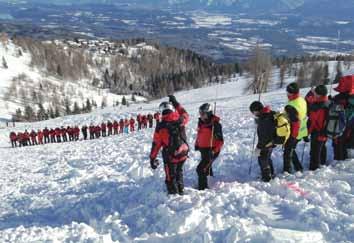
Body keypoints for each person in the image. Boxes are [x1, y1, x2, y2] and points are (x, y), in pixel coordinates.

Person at [149, 95, 189, 195]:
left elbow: (156, 145)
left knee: (170, 177)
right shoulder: (181, 119)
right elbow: (185, 113)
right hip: (183, 153)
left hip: (170, 156)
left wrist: (152, 158)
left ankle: (174, 196)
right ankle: (181, 191)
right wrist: (176, 102)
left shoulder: (161, 127)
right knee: (179, 172)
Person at [195, 103, 224, 189]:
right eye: (200, 114)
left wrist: (214, 151)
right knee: (207, 167)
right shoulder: (201, 123)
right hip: (203, 149)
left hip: (211, 150)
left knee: (201, 169)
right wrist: (197, 144)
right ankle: (210, 182)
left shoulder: (215, 125)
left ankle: (202, 188)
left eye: (203, 114)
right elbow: (199, 134)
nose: (201, 116)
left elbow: (220, 141)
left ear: (208, 113)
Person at [283, 82, 308, 173]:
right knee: (291, 150)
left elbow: (295, 122)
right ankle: (298, 167)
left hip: (294, 132)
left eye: (288, 93)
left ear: (292, 93)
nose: (287, 94)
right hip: (302, 131)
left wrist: (293, 136)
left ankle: (287, 171)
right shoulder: (301, 100)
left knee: (288, 151)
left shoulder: (290, 106)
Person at [249, 101, 275, 182]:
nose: (254, 114)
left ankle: (267, 178)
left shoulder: (264, 119)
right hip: (272, 140)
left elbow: (264, 137)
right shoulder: (268, 113)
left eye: (253, 112)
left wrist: (258, 147)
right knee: (267, 157)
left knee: (263, 158)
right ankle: (271, 173)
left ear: (257, 110)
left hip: (267, 142)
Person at [305, 85, 330, 170]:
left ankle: (314, 169)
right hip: (324, 132)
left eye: (315, 93)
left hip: (318, 132)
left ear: (320, 95)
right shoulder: (327, 102)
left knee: (315, 152)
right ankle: (322, 163)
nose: (314, 94)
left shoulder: (318, 106)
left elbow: (312, 121)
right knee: (322, 148)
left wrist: (307, 133)